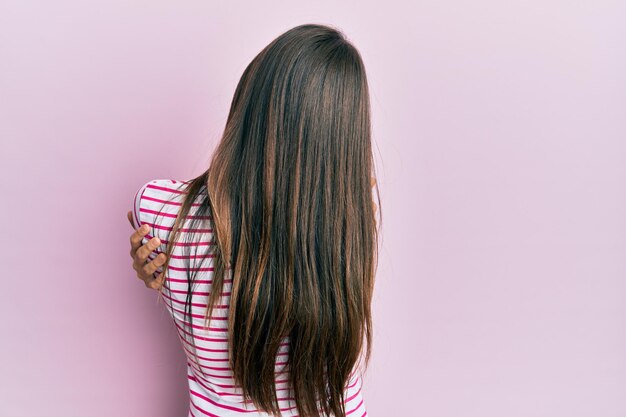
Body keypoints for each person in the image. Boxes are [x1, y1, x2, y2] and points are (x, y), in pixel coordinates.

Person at [126, 23, 381, 417]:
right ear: (345, 140)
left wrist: (161, 264)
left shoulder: (158, 208)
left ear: (250, 105)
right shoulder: (355, 212)